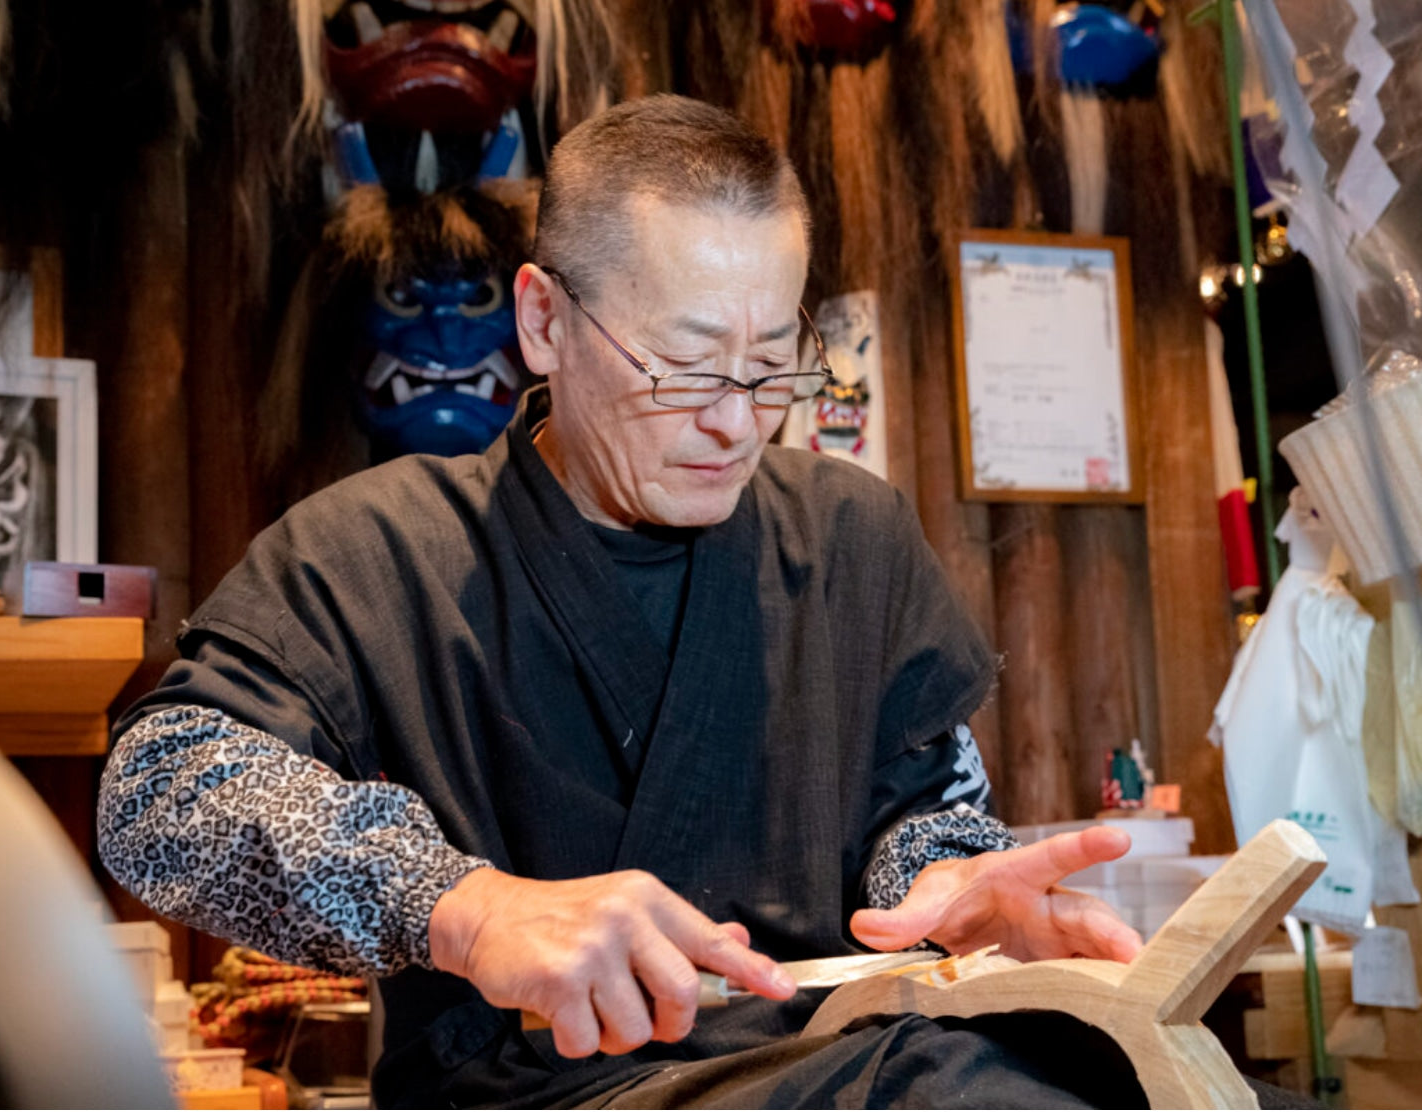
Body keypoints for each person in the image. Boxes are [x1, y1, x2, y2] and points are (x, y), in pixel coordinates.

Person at [99, 95, 1158, 1108]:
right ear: (545, 320)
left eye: (773, 364)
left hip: (858, 1059)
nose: (737, 423)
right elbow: (156, 795)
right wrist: (462, 907)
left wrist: (953, 883)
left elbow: (919, 804)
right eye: (687, 367)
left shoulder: (852, 533)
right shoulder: (381, 550)